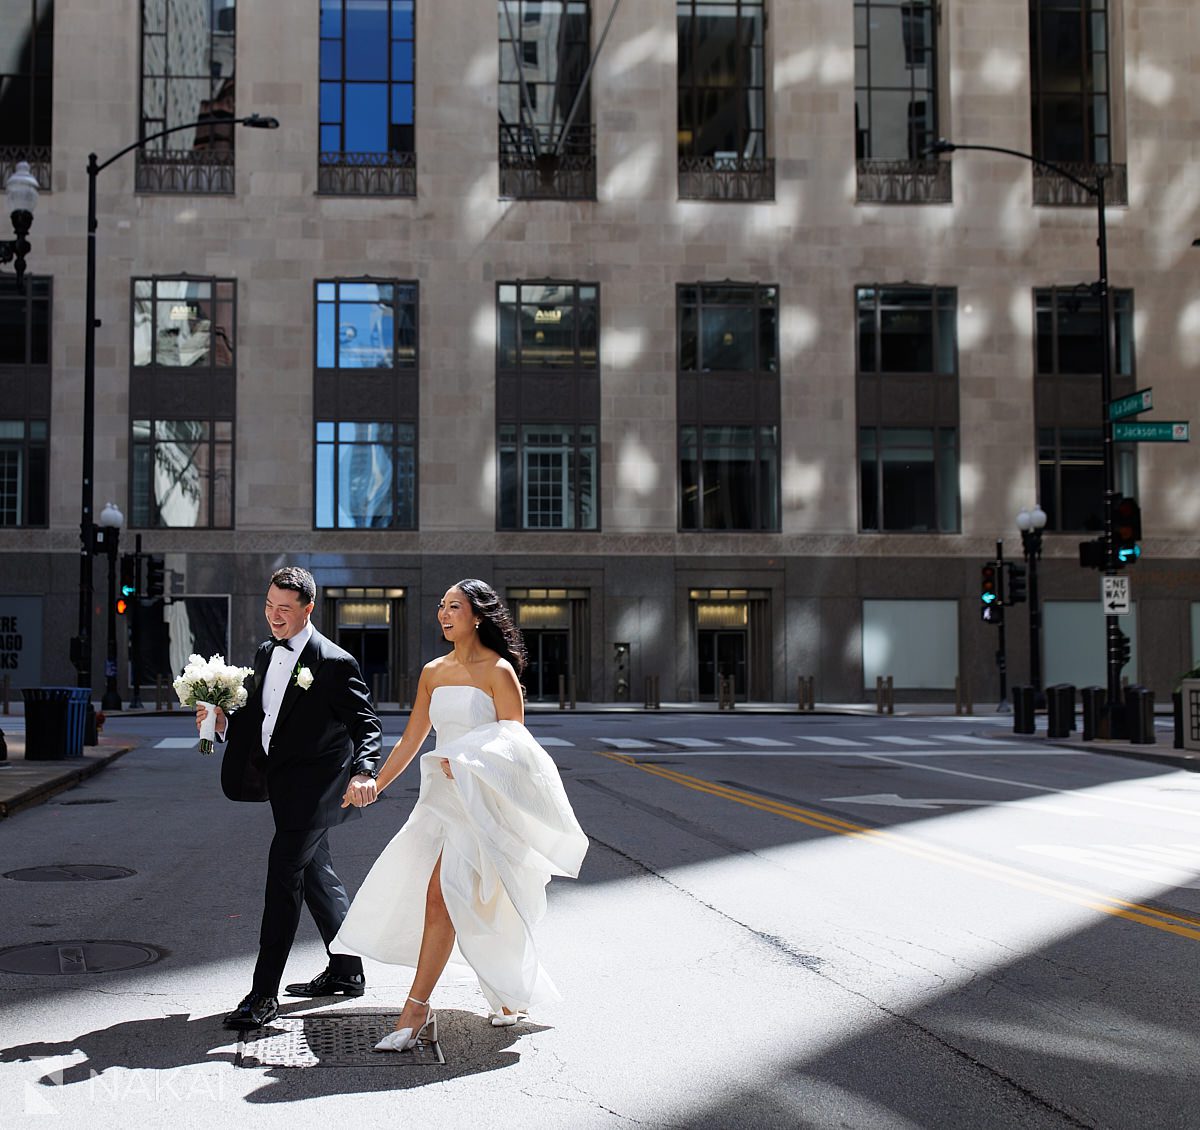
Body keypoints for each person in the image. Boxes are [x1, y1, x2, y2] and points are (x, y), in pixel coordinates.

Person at [330, 579, 588, 1052]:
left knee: (442, 896)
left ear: (478, 616)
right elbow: (412, 739)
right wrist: (374, 784)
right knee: (455, 900)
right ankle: (502, 992)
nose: (444, 615)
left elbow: (516, 746)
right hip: (439, 802)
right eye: (441, 607)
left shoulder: (499, 671)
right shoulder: (433, 672)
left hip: (481, 804)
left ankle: (416, 1010)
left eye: (455, 607)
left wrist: (467, 755)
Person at [196, 566, 382, 1029]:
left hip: (318, 792)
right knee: (317, 875)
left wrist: (364, 772)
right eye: (268, 606)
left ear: (308, 609)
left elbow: (367, 725)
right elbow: (262, 717)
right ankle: (347, 969)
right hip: (282, 787)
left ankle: (263, 996)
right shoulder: (265, 653)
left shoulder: (335, 663)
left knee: (283, 880)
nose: (273, 617)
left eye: (284, 609)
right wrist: (220, 722)